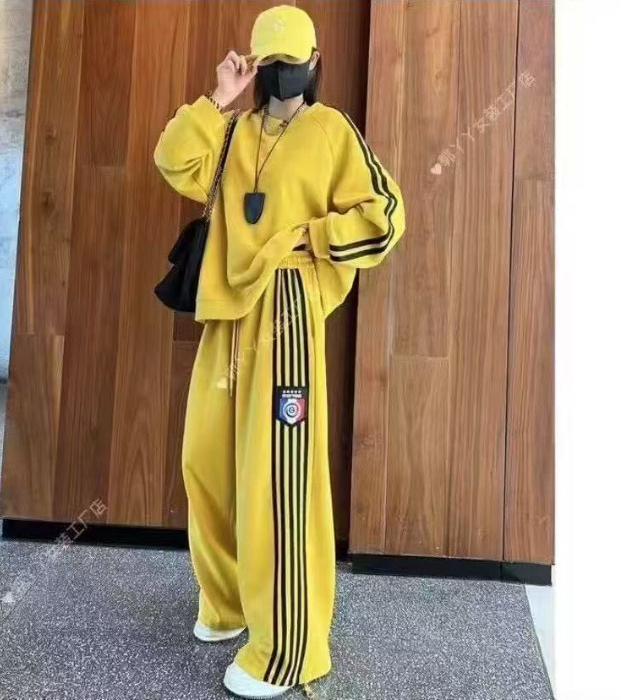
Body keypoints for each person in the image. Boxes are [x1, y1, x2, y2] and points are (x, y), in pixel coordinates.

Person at [154, 5, 405, 698]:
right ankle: (232, 603)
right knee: (206, 462)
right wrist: (218, 97)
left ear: (315, 62)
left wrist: (314, 238)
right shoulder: (233, 129)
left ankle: (289, 648)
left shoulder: (331, 131)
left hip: (287, 311)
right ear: (256, 65)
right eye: (271, 63)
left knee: (279, 476)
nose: (284, 73)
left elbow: (385, 216)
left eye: (294, 61)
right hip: (226, 313)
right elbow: (172, 161)